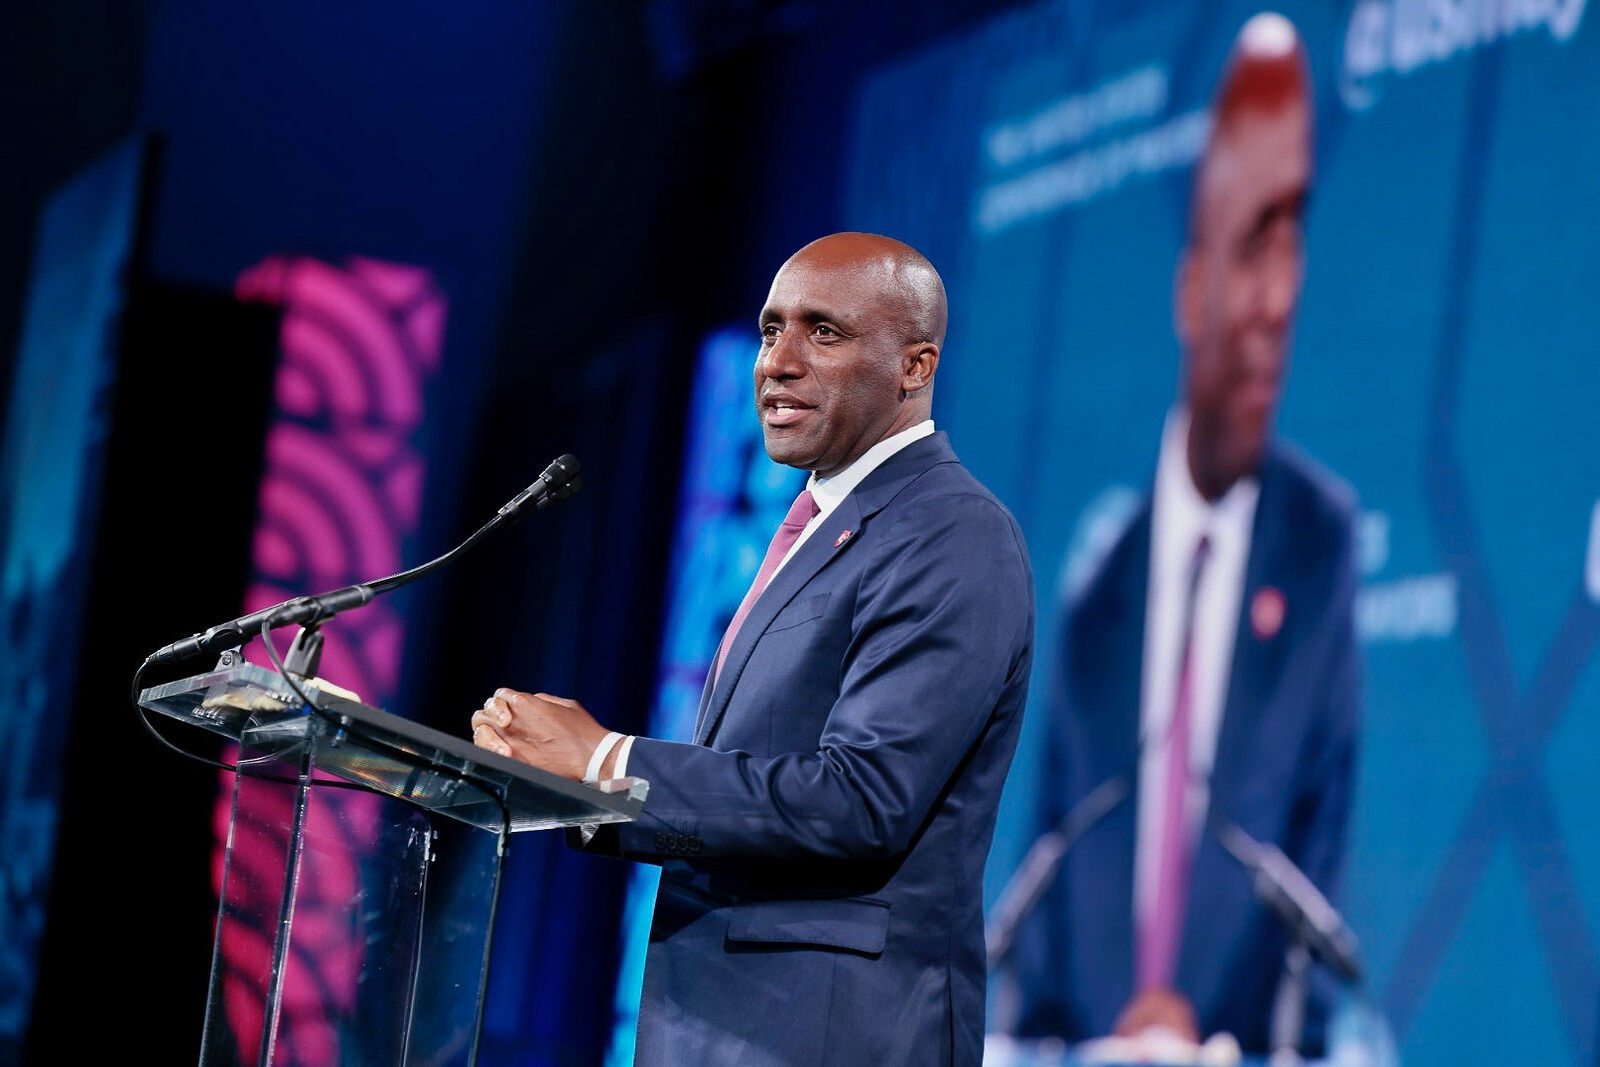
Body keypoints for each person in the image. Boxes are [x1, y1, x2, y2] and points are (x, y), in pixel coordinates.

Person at [472, 232, 1035, 1065]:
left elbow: (862, 800)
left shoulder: (951, 531)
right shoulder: (822, 528)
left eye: (825, 332)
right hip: (727, 1023)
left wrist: (608, 762)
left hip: (831, 1034)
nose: (779, 361)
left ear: (916, 367)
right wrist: (564, 778)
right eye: (771, 330)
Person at [1011, 14, 1359, 1057]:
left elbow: (1316, 873)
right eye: (1254, 244)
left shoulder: (1317, 545)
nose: (1277, 302)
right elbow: (1046, 887)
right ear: (1188, 288)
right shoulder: (1097, 594)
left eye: (1295, 247)